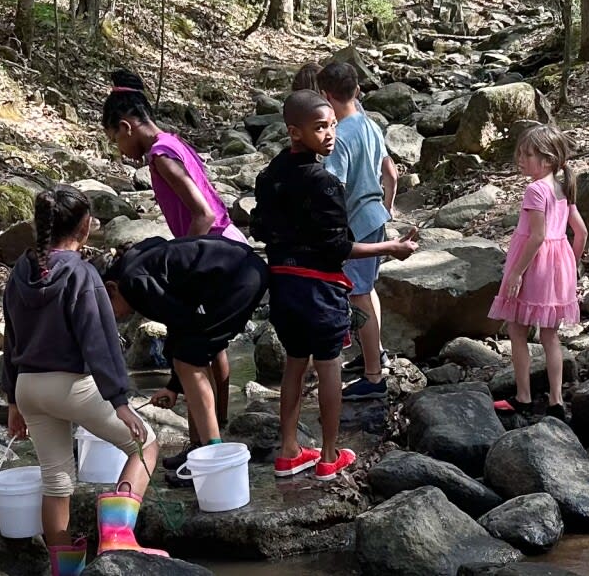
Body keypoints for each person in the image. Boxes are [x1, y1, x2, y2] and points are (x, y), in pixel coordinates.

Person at [251, 90, 418, 481]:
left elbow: (260, 226)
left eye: (331, 126)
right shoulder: (324, 183)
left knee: (294, 364)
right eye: (319, 128)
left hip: (283, 285)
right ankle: (328, 455)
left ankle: (289, 451)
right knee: (329, 369)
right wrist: (391, 247)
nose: (330, 135)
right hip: (319, 290)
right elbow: (339, 247)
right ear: (294, 132)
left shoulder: (270, 174)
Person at [2, 185, 166, 576]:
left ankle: (65, 571)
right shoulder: (82, 273)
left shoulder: (20, 272)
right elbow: (100, 342)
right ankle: (117, 535)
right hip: (71, 386)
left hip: (29, 388)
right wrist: (120, 401)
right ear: (85, 227)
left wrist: (12, 401)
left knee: (56, 481)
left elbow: (11, 338)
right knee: (146, 446)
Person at [102, 69, 242, 472]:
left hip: (213, 252)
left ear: (127, 126)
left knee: (191, 353)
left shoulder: (161, 157)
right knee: (211, 347)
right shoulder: (173, 143)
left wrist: (183, 264)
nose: (119, 149)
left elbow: (200, 212)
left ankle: (206, 446)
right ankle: (213, 430)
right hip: (226, 246)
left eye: (116, 139)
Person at [102, 235, 269, 454]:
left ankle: (211, 454)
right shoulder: (133, 269)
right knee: (192, 357)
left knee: (189, 360)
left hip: (238, 279)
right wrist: (173, 387)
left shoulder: (134, 283)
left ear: (112, 288)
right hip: (241, 272)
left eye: (109, 308)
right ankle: (199, 448)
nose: (113, 316)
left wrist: (175, 381)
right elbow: (179, 321)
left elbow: (181, 323)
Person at [487, 125, 587, 421]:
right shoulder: (562, 187)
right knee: (550, 336)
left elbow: (537, 236)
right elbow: (580, 233)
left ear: (547, 160)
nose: (520, 159)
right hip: (558, 268)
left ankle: (523, 397)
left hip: (533, 265)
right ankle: (556, 401)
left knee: (516, 331)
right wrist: (571, 264)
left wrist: (517, 273)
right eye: (520, 153)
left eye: (527, 154)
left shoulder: (535, 189)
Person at [317, 62, 399, 402]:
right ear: (357, 91)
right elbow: (391, 173)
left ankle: (373, 377)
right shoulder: (370, 124)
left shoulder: (341, 137)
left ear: (325, 96)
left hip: (355, 224)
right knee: (368, 289)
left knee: (358, 295)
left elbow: (333, 186)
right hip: (376, 215)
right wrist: (388, 207)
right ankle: (374, 353)